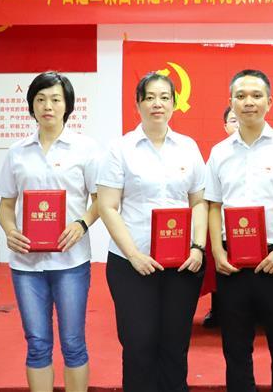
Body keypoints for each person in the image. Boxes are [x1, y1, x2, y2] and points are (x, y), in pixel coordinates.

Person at [97, 72, 208, 391]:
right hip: (132, 264)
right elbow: (107, 206)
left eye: (164, 97)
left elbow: (199, 202)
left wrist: (198, 247)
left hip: (182, 264)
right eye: (149, 97)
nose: (157, 104)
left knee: (176, 344)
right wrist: (134, 255)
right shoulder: (120, 148)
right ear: (138, 104)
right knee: (138, 345)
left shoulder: (188, 147)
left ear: (174, 103)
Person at [205, 69, 273, 392]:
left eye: (256, 95)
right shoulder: (219, 152)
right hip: (232, 262)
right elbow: (213, 205)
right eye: (240, 96)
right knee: (235, 348)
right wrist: (218, 251)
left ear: (270, 101)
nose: (248, 102)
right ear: (231, 102)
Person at [0, 71, 101, 392]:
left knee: (73, 342)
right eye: (40, 99)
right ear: (32, 105)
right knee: (37, 343)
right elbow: (5, 205)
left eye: (56, 99)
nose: (48, 106)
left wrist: (81, 224)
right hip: (26, 265)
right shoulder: (17, 151)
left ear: (67, 105)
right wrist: (10, 230)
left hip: (71, 262)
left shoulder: (85, 148)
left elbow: (101, 200)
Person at [203, 106, 239, 329]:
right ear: (225, 127)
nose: (238, 123)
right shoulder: (219, 154)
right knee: (220, 263)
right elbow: (211, 196)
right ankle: (218, 309)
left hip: (259, 228)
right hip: (225, 226)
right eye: (233, 120)